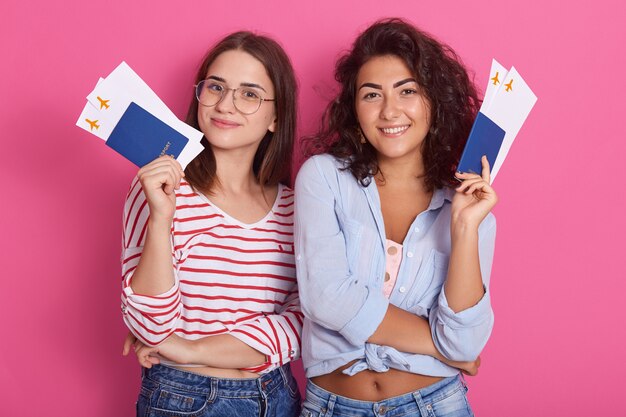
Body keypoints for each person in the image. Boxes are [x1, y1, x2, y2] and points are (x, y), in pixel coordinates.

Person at [294, 18, 497, 416]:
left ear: (434, 101)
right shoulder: (323, 178)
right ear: (354, 109)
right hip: (333, 405)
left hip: (437, 405)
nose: (390, 111)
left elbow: (467, 342)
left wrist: (464, 228)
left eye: (407, 91)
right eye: (372, 95)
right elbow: (327, 299)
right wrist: (442, 346)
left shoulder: (469, 210)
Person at [120, 31, 302, 417]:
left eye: (249, 93)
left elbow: (305, 318)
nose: (225, 104)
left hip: (279, 394)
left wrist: (192, 348)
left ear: (277, 117)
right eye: (215, 86)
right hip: (182, 397)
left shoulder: (293, 206)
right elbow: (150, 328)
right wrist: (161, 218)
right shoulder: (160, 185)